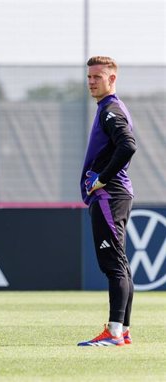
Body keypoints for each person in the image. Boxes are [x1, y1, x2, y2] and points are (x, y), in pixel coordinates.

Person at [77, 56, 136, 346]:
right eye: (89, 77)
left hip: (108, 195)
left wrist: (101, 178)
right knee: (120, 264)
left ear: (112, 79)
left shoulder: (111, 108)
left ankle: (113, 332)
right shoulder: (108, 108)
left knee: (113, 264)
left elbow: (128, 145)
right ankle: (122, 331)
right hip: (113, 194)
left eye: (97, 77)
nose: (91, 81)